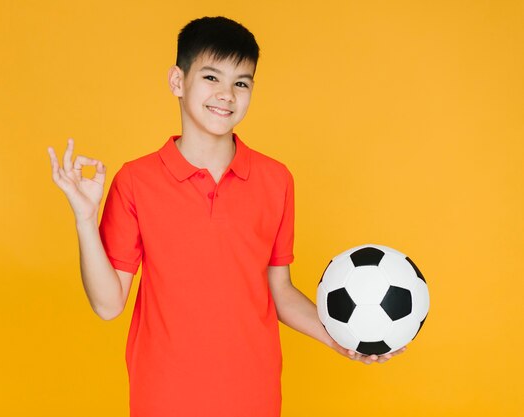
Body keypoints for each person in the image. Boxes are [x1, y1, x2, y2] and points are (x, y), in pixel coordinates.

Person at [47, 16, 404, 417]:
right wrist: (84, 218)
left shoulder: (275, 180)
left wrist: (343, 337)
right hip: (163, 396)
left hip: (254, 395)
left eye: (241, 82)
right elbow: (108, 304)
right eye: (212, 77)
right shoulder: (135, 180)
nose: (227, 95)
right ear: (177, 82)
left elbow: (279, 290)